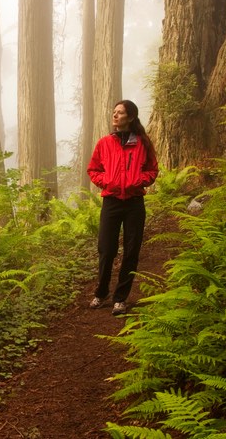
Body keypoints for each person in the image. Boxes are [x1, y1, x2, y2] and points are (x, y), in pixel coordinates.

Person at [86, 100, 159, 315]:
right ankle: (101, 293)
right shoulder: (104, 143)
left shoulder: (143, 143)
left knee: (131, 251)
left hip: (135, 203)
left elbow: (152, 170)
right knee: (106, 249)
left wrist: (139, 180)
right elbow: (93, 169)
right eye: (114, 112)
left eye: (120, 113)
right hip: (112, 201)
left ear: (131, 117)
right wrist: (107, 181)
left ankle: (120, 298)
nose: (115, 116)